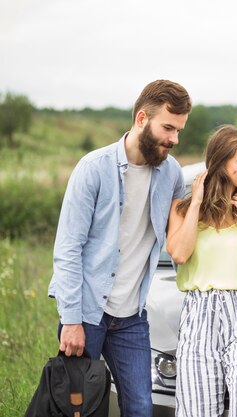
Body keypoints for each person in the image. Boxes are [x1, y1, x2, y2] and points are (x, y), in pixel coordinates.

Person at [48, 79, 192, 416]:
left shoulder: (171, 174)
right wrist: (71, 321)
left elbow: (179, 240)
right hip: (87, 314)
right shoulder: (93, 169)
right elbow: (68, 248)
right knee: (77, 409)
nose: (174, 139)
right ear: (142, 119)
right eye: (168, 127)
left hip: (132, 317)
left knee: (140, 408)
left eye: (179, 130)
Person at [166, 125, 237, 417]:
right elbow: (180, 253)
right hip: (199, 314)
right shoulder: (182, 208)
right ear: (220, 160)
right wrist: (197, 202)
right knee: (196, 411)